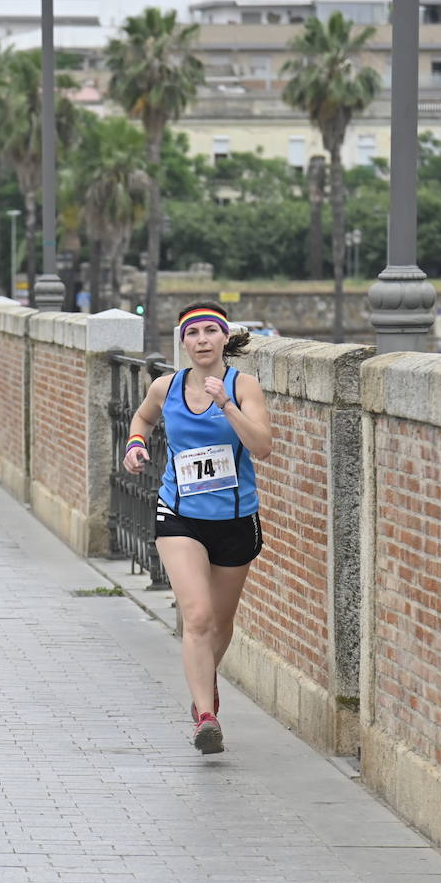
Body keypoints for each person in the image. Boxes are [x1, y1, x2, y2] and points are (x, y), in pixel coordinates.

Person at [122, 303, 272, 755]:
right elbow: (143, 418)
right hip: (179, 515)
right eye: (193, 333)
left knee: (222, 622)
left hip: (234, 518)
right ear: (182, 342)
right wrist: (134, 444)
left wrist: (227, 406)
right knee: (198, 615)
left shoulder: (242, 386)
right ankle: (206, 717)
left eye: (211, 331)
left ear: (225, 338)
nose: (202, 339)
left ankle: (203, 684)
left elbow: (263, 446)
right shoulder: (165, 387)